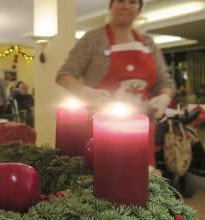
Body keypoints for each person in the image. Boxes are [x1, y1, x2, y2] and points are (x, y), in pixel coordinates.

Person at [56, 0, 176, 166]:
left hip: (141, 129)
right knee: (104, 177)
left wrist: (164, 97)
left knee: (142, 179)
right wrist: (85, 92)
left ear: (139, 8)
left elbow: (166, 82)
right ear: (111, 6)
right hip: (100, 129)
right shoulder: (94, 38)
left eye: (133, 2)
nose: (126, 6)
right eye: (120, 1)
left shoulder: (148, 43)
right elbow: (64, 75)